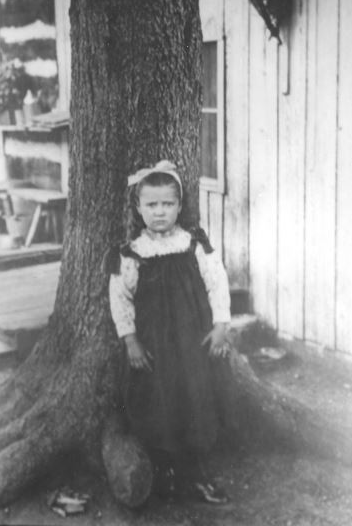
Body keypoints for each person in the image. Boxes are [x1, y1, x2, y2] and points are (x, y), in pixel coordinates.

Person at [108, 160, 232, 503]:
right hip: (155, 345)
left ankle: (195, 472)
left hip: (192, 341)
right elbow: (120, 298)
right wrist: (130, 340)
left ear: (179, 206)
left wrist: (221, 324)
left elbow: (217, 281)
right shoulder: (133, 253)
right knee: (158, 402)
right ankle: (163, 470)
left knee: (196, 397)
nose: (159, 212)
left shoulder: (194, 244)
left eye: (167, 204)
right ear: (138, 208)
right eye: (151, 205)